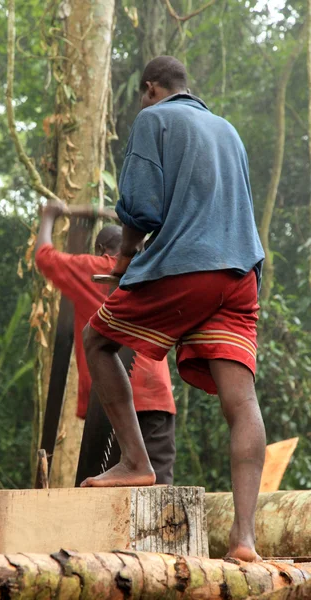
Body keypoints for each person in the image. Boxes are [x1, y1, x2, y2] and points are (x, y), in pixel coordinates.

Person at [82, 55, 266, 562]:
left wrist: (123, 263)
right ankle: (244, 540)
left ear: (150, 89)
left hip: (191, 266)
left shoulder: (153, 118)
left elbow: (140, 205)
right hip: (242, 272)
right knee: (241, 401)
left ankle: (134, 461)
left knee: (97, 341)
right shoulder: (227, 129)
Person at [34, 202, 176, 483]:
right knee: (160, 489)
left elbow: (44, 256)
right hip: (157, 394)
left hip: (111, 403)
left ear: (102, 251)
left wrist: (49, 215)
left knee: (115, 495)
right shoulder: (151, 271)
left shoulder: (92, 269)